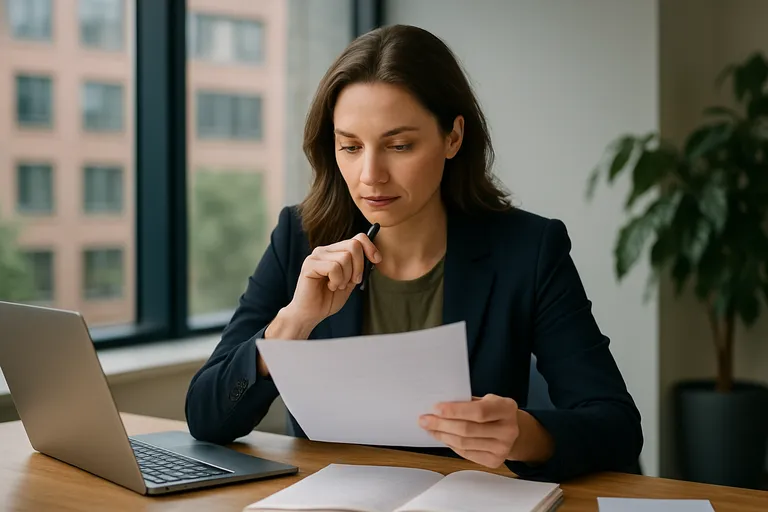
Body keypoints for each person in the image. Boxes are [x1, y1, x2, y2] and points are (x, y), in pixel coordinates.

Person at [185, 24, 643, 483]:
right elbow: (206, 418)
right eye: (350, 146)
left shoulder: (528, 249)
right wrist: (292, 324)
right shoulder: (299, 238)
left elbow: (617, 426)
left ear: (453, 137)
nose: (370, 175)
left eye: (399, 145)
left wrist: (526, 435)